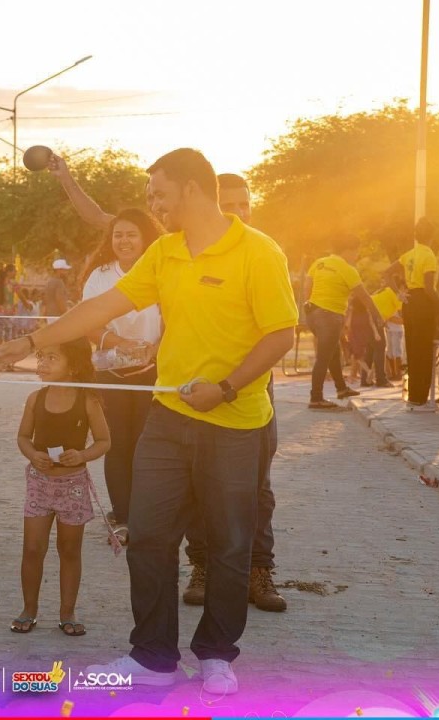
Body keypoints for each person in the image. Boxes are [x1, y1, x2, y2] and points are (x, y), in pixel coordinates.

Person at [0, 148, 297, 695]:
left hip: (237, 421)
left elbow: (281, 334)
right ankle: (153, 657)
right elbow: (99, 309)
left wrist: (225, 388)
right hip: (170, 419)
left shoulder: (258, 250)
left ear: (194, 190)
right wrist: (27, 344)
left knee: (227, 544)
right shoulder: (165, 253)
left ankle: (217, 655)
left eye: (159, 193)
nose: (153, 204)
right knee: (148, 535)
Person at [181, 173, 286, 613]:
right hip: (196, 394)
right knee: (197, 485)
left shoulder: (265, 252)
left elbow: (277, 331)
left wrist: (234, 384)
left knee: (256, 489)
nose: (240, 212)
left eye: (246, 204)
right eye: (231, 204)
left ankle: (257, 572)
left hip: (251, 393)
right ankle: (202, 565)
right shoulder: (184, 251)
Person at [10, 338, 110, 636]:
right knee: (32, 548)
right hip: (39, 484)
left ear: (74, 366)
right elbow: (23, 437)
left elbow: (105, 441)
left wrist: (82, 455)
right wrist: (33, 455)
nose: (42, 363)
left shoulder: (88, 400)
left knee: (69, 550)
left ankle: (67, 613)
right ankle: (29, 609)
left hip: (73, 486)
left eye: (52, 357)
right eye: (41, 356)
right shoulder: (35, 399)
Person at [78, 208, 163, 545]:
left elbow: (174, 318)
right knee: (117, 445)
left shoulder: (161, 271)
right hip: (110, 373)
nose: (124, 241)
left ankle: (145, 514)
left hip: (152, 373)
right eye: (118, 234)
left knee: (146, 445)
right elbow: (88, 322)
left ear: (145, 238)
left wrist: (154, 350)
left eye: (131, 234)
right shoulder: (99, 275)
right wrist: (120, 343)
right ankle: (123, 517)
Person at [303, 235, 383, 409]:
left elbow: (307, 287)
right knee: (324, 357)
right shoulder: (347, 269)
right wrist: (377, 315)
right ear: (348, 251)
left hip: (313, 314)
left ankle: (341, 389)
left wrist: (308, 307)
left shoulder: (319, 263)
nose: (356, 255)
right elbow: (364, 297)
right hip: (330, 317)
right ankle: (316, 398)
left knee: (333, 352)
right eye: (355, 252)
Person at [392, 217, 439, 408]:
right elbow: (429, 289)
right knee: (424, 350)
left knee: (413, 348)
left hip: (410, 302)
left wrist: (399, 290)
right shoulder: (429, 256)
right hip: (424, 304)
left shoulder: (409, 254)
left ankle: (415, 395)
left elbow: (387, 273)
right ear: (432, 236)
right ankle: (420, 396)